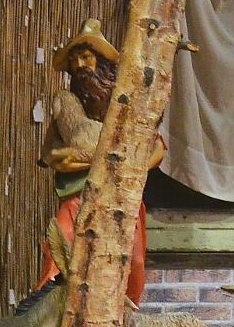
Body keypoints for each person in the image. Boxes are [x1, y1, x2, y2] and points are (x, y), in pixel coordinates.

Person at [40, 19, 161, 301]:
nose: (81, 65)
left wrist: (130, 167)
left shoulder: (125, 101)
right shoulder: (68, 105)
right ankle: (53, 309)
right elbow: (52, 156)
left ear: (101, 62)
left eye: (86, 58)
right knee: (59, 253)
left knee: (132, 261)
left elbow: (157, 149)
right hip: (77, 195)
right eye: (75, 61)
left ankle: (123, 314)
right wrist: (98, 162)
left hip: (122, 196)